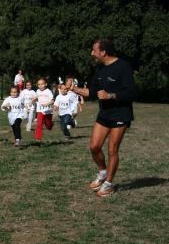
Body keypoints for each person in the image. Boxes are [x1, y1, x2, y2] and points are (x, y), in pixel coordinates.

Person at [68, 39, 137, 197]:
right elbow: (92, 92)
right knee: (94, 146)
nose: (92, 53)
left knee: (112, 149)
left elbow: (131, 93)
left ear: (103, 52)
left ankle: (108, 184)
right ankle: (103, 172)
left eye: (94, 50)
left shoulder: (123, 67)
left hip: (120, 114)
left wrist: (110, 95)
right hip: (104, 114)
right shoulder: (100, 69)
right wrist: (74, 89)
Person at [28, 78, 55, 145]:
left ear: (45, 84)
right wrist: (32, 100)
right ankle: (38, 139)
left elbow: (52, 101)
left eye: (42, 84)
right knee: (39, 124)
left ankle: (50, 124)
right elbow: (37, 97)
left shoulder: (48, 91)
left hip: (48, 111)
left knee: (48, 126)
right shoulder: (38, 91)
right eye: (39, 84)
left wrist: (46, 104)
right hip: (40, 111)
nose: (40, 86)